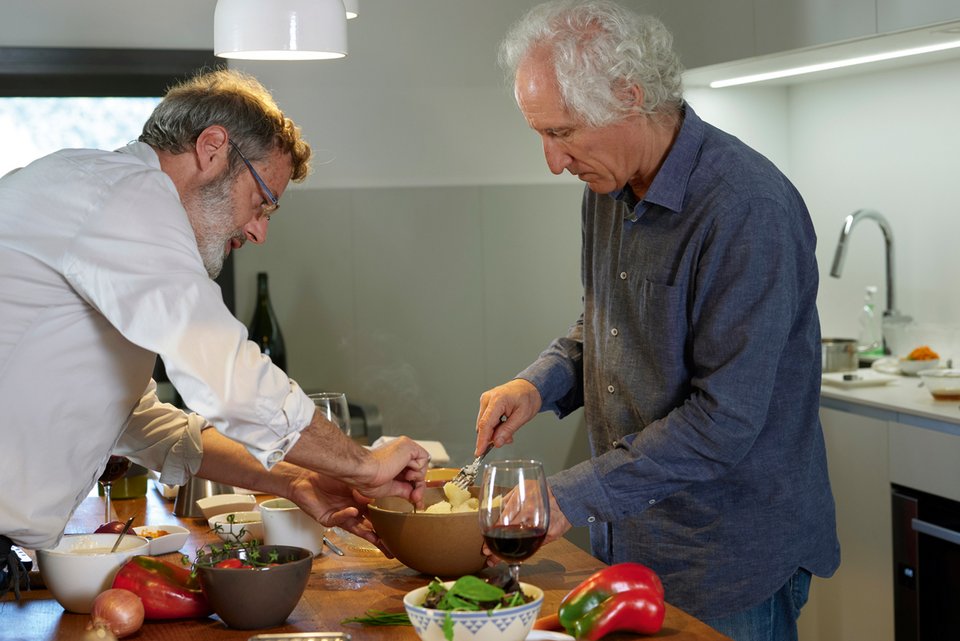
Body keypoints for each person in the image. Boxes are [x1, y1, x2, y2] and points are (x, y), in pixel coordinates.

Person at [474, 2, 840, 639]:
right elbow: (605, 327)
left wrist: (567, 498)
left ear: (629, 97)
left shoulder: (745, 208)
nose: (551, 161)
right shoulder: (609, 189)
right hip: (630, 544)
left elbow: (724, 419)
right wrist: (536, 385)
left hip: (727, 560)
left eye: (561, 132)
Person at [0, 69, 429, 596]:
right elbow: (230, 380)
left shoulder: (103, 205)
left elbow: (137, 421)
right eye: (262, 200)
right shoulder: (127, 196)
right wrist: (365, 464)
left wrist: (293, 480)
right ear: (212, 148)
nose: (258, 231)